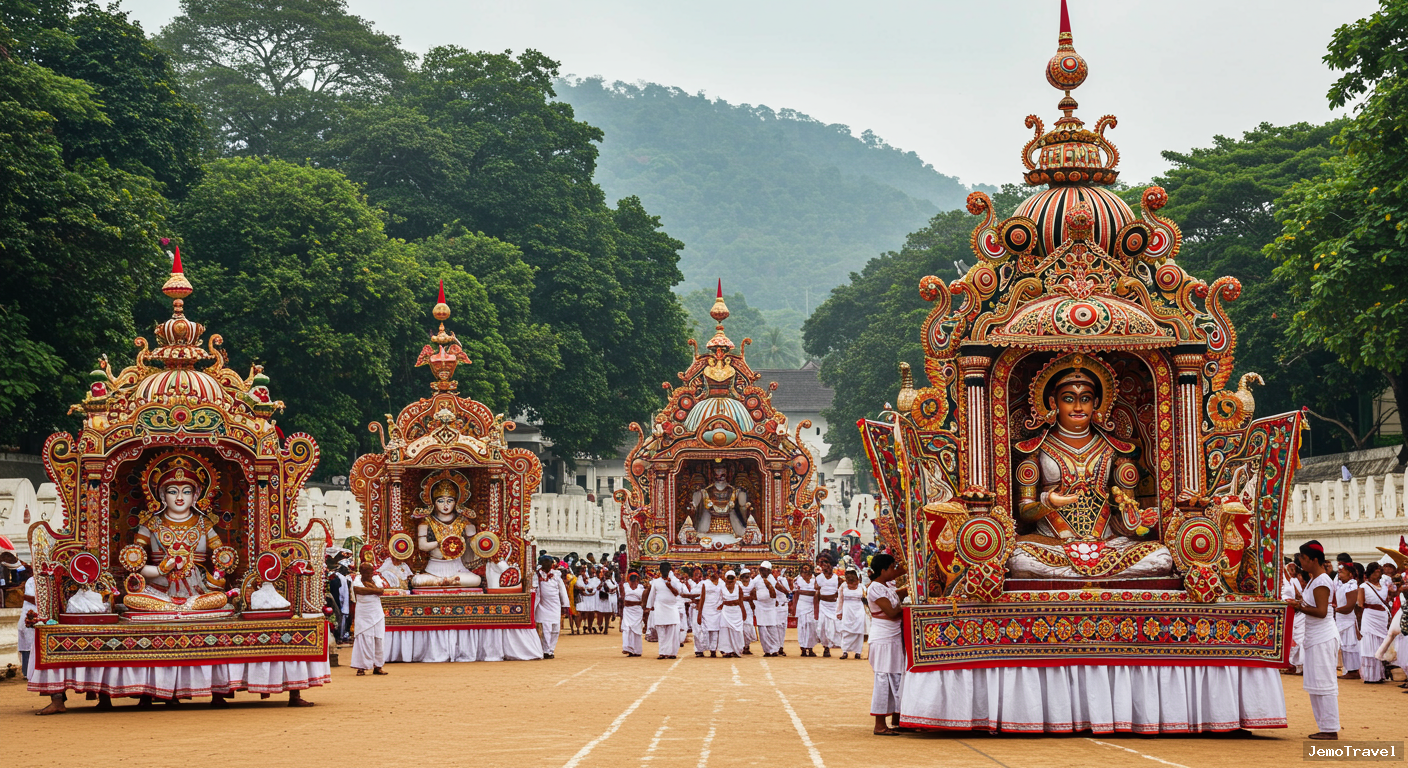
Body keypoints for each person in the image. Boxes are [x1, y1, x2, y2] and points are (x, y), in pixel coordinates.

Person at [1290, 540, 1339, 740]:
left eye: (1303, 558)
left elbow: (1320, 611)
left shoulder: (1322, 581)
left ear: (1313, 559)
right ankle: (1325, 725)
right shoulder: (1313, 580)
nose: (1301, 562)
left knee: (1324, 683)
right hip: (1314, 637)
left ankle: (1330, 727)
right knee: (1316, 683)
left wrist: (1298, 607)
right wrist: (1299, 602)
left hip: (1323, 636)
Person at [867, 554, 907, 735]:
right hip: (883, 638)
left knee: (897, 678)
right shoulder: (874, 588)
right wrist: (908, 607)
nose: (894, 571)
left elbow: (897, 595)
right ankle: (880, 724)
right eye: (892, 568)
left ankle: (897, 720)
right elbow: (891, 611)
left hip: (893, 637)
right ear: (883, 570)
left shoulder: (886, 586)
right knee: (883, 679)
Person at [351, 563, 388, 677]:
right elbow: (358, 590)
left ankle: (378, 666)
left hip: (377, 613)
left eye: (370, 571)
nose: (369, 574)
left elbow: (381, 591)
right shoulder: (356, 581)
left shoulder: (376, 579)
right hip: (363, 614)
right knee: (363, 639)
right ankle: (361, 667)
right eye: (366, 572)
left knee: (379, 639)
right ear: (361, 572)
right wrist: (373, 590)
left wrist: (370, 589)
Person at [1358, 562, 1391, 683]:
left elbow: (1389, 597)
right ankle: (1370, 676)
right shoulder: (1363, 586)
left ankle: (1381, 674)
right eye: (1375, 571)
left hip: (1382, 617)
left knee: (1381, 644)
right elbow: (1360, 604)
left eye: (1379, 571)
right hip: (1370, 616)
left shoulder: (1384, 584)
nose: (1377, 574)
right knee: (1369, 644)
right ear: (1370, 573)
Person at [646, 561, 684, 659]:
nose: (664, 572)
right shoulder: (656, 581)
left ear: (669, 570)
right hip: (660, 607)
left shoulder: (674, 581)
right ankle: (662, 652)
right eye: (662, 570)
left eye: (666, 570)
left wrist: (670, 586)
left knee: (673, 631)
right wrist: (649, 607)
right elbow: (652, 595)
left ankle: (672, 653)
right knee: (661, 632)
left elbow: (677, 593)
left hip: (672, 607)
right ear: (660, 571)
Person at [536, 556, 567, 659]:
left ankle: (551, 650)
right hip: (542, 606)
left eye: (549, 563)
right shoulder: (536, 575)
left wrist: (565, 604)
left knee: (555, 629)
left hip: (555, 605)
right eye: (545, 563)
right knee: (545, 629)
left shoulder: (556, 575)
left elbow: (562, 590)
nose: (547, 565)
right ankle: (545, 650)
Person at [1334, 560, 1361, 679]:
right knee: (1345, 645)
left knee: (1350, 645)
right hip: (1341, 618)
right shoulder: (1341, 584)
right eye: (1339, 572)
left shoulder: (1352, 585)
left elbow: (1349, 606)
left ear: (1350, 574)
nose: (1340, 575)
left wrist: (1335, 610)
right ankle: (1349, 669)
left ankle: (1353, 670)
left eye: (1342, 572)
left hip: (1348, 620)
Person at [755, 561, 787, 657]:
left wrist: (787, 592)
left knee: (772, 628)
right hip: (760, 607)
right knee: (762, 629)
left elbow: (777, 586)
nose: (764, 572)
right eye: (762, 570)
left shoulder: (770, 578)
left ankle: (775, 649)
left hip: (771, 607)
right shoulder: (756, 580)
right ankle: (767, 651)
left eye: (766, 570)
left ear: (769, 571)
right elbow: (750, 590)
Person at [1282, 559, 1306, 675]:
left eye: (1293, 569)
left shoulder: (1292, 580)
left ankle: (1300, 665)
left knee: (1299, 637)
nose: (1291, 570)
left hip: (1295, 611)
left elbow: (1298, 595)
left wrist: (1297, 603)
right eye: (1290, 568)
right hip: (1284, 610)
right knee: (1290, 637)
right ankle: (1291, 664)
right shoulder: (1278, 578)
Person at [837, 568, 867, 660]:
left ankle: (858, 652)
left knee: (859, 632)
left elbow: (866, 600)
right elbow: (840, 600)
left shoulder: (862, 587)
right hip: (847, 610)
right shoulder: (843, 586)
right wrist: (839, 612)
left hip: (859, 610)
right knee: (846, 631)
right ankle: (845, 651)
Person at [815, 555, 842, 657]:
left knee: (833, 627)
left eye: (828, 566)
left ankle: (834, 645)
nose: (826, 568)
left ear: (831, 567)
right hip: (823, 605)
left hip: (833, 606)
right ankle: (825, 647)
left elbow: (841, 591)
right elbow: (816, 592)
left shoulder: (837, 578)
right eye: (824, 566)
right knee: (822, 627)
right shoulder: (819, 578)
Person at [695, 567, 724, 658]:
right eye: (710, 572)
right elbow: (702, 598)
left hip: (717, 611)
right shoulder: (705, 583)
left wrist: (722, 606)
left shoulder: (722, 583)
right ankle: (702, 649)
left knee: (715, 631)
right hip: (706, 610)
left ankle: (713, 650)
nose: (712, 574)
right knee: (705, 631)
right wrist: (699, 613)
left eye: (714, 572)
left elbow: (725, 596)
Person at [717, 571, 746, 658]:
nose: (730, 580)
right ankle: (727, 650)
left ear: (735, 579)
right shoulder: (722, 588)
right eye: (728, 578)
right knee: (725, 631)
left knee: (737, 631)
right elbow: (720, 601)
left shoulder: (739, 588)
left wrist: (743, 612)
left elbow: (741, 601)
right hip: (726, 612)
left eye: (732, 578)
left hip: (736, 611)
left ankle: (736, 650)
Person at [794, 565, 819, 657]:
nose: (806, 573)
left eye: (808, 571)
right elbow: (796, 593)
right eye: (804, 571)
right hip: (802, 605)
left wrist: (802, 592)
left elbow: (817, 592)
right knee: (802, 626)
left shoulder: (815, 580)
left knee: (812, 626)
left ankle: (810, 648)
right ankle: (803, 648)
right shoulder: (797, 580)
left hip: (811, 605)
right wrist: (794, 607)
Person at [621, 571, 646, 657]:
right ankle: (627, 648)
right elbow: (623, 599)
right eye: (631, 580)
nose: (633, 582)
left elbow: (642, 601)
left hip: (637, 611)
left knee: (636, 630)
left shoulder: (641, 588)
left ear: (637, 580)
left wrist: (635, 603)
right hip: (628, 611)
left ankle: (637, 650)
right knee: (627, 628)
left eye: (634, 580)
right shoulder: (625, 586)